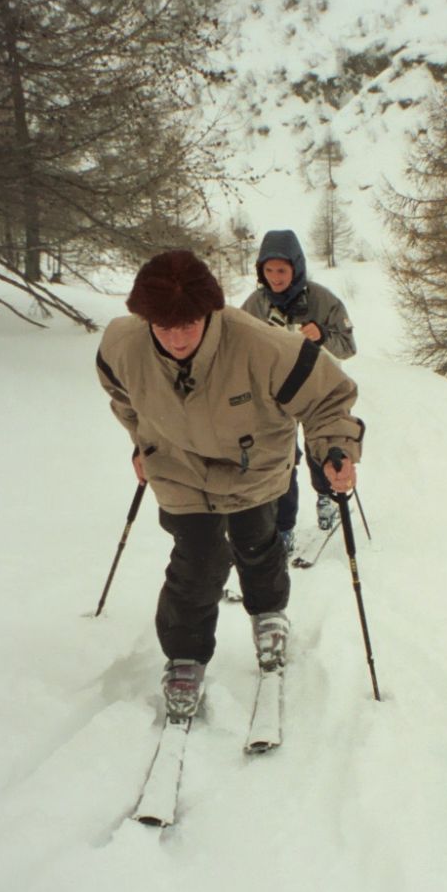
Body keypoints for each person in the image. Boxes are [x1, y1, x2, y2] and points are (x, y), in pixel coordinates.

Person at [96, 249, 363, 718]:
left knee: (256, 543)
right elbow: (122, 394)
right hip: (178, 467)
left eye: (189, 325)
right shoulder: (123, 345)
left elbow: (327, 397)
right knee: (197, 560)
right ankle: (185, 656)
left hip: (252, 466)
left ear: (209, 312)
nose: (177, 338)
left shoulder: (261, 346)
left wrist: (335, 449)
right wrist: (142, 442)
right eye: (164, 327)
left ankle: (269, 613)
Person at [242, 229, 356, 552]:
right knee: (283, 459)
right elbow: (235, 346)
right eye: (268, 270)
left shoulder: (322, 300)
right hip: (275, 395)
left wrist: (322, 336)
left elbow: (348, 346)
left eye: (282, 270)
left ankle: (326, 497)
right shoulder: (256, 304)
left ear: (296, 267)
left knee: (322, 447)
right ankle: (283, 527)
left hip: (318, 391)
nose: (275, 277)